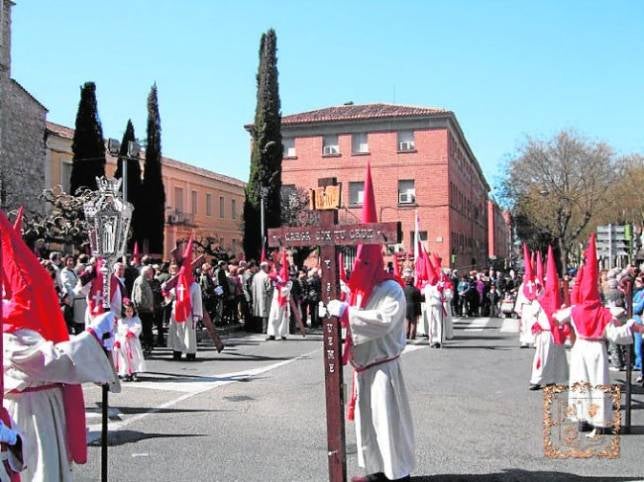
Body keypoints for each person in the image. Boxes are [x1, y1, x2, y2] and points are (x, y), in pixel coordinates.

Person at [1, 210, 119, 482]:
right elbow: (46, 359)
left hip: (44, 406)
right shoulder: (9, 324)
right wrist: (93, 338)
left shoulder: (23, 319)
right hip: (30, 412)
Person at [327, 163, 414, 482]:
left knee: (386, 424)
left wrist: (347, 314)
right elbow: (348, 321)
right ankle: (376, 472)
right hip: (363, 371)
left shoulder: (391, 289)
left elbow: (381, 322)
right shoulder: (360, 290)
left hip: (382, 370)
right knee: (367, 425)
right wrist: (335, 314)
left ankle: (397, 474)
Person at [554, 234, 644, 436]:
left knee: (580, 383)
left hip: (579, 350)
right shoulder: (602, 313)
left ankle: (582, 419)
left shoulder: (575, 310)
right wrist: (629, 324)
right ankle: (601, 422)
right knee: (598, 384)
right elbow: (616, 336)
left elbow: (558, 316)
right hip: (596, 350)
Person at [528, 246, 568, 390]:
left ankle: (551, 379)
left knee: (554, 357)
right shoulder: (541, 301)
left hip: (552, 333)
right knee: (542, 357)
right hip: (545, 334)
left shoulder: (546, 300)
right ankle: (537, 379)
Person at [166, 240, 203, 361]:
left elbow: (197, 301)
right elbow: (171, 295)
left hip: (189, 313)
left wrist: (197, 315)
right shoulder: (177, 284)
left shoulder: (194, 286)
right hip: (177, 311)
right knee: (177, 332)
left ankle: (190, 353)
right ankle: (177, 351)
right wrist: (165, 291)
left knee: (189, 334)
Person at [113, 299, 145, 382]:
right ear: (124, 311)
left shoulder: (136, 319)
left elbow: (138, 327)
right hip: (124, 342)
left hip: (133, 342)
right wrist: (117, 341)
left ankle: (134, 373)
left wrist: (132, 332)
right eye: (127, 311)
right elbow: (117, 332)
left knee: (134, 357)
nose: (129, 313)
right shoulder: (121, 321)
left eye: (131, 311)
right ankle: (126, 373)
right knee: (124, 358)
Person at [266, 252, 292, 341]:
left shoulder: (285, 272)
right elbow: (271, 281)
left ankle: (282, 333)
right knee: (273, 315)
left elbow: (287, 283)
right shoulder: (274, 270)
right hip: (276, 295)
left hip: (283, 294)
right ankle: (272, 333)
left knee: (283, 316)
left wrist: (282, 286)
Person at [132, 265, 155, 355]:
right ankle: (146, 347)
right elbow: (140, 297)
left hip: (145, 310)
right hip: (144, 310)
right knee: (145, 330)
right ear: (146, 273)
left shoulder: (144, 280)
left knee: (147, 329)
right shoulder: (141, 281)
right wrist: (148, 306)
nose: (151, 274)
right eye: (150, 272)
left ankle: (147, 347)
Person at [251, 261, 272, 334]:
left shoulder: (255, 276)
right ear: (264, 267)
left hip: (256, 296)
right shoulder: (266, 276)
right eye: (267, 267)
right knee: (265, 312)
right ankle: (264, 329)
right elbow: (268, 287)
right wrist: (270, 295)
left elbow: (252, 287)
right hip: (265, 297)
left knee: (258, 311)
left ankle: (257, 329)